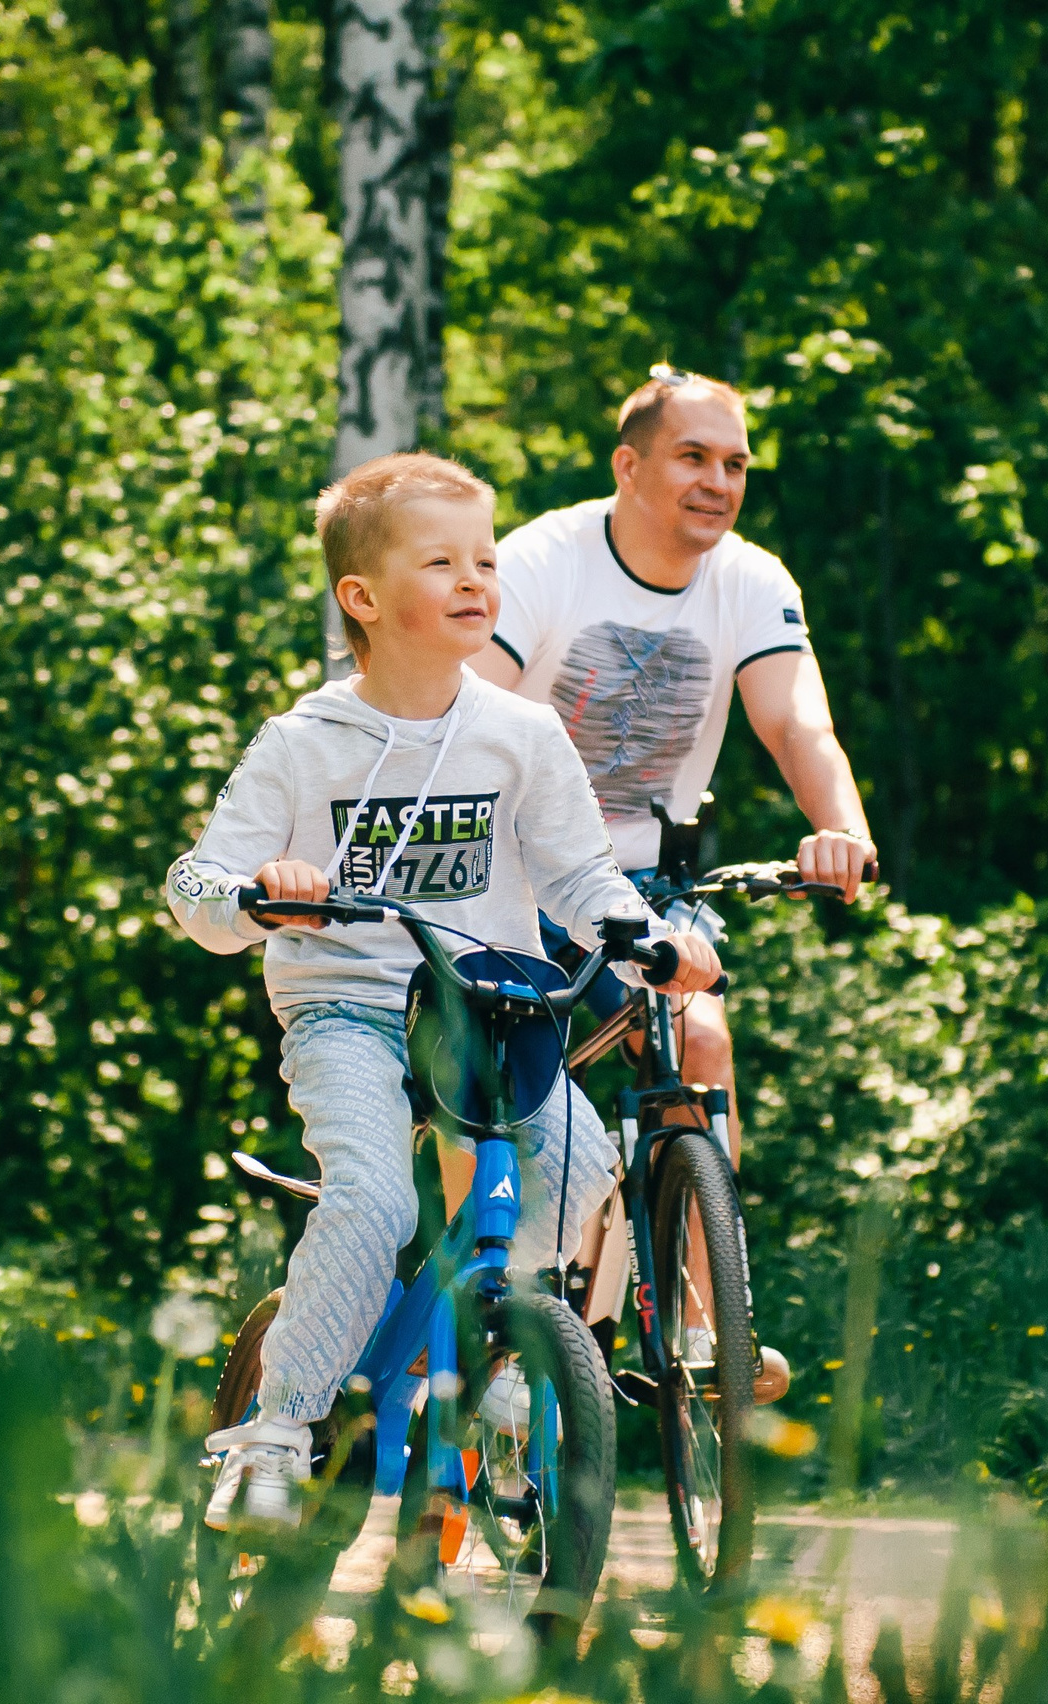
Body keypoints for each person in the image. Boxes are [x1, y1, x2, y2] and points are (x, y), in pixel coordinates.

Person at [165, 451, 723, 1530]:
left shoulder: (519, 735)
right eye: (441, 562)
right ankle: (276, 1429)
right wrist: (255, 898)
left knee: (576, 1163)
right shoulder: (301, 745)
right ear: (362, 599)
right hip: (348, 1011)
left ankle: (504, 1351)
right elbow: (195, 884)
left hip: (488, 1006)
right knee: (371, 1201)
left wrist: (647, 940)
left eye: (483, 558)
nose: (477, 579)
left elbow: (579, 878)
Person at [472, 368, 875, 1390]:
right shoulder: (543, 562)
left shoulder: (750, 580)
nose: (717, 481)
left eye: (734, 463)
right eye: (693, 457)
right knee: (512, 1091)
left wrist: (840, 828)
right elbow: (469, 717)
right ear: (629, 465)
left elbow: (794, 722)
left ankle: (707, 1323)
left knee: (697, 1030)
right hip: (517, 871)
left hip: (645, 880)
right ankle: (499, 1307)